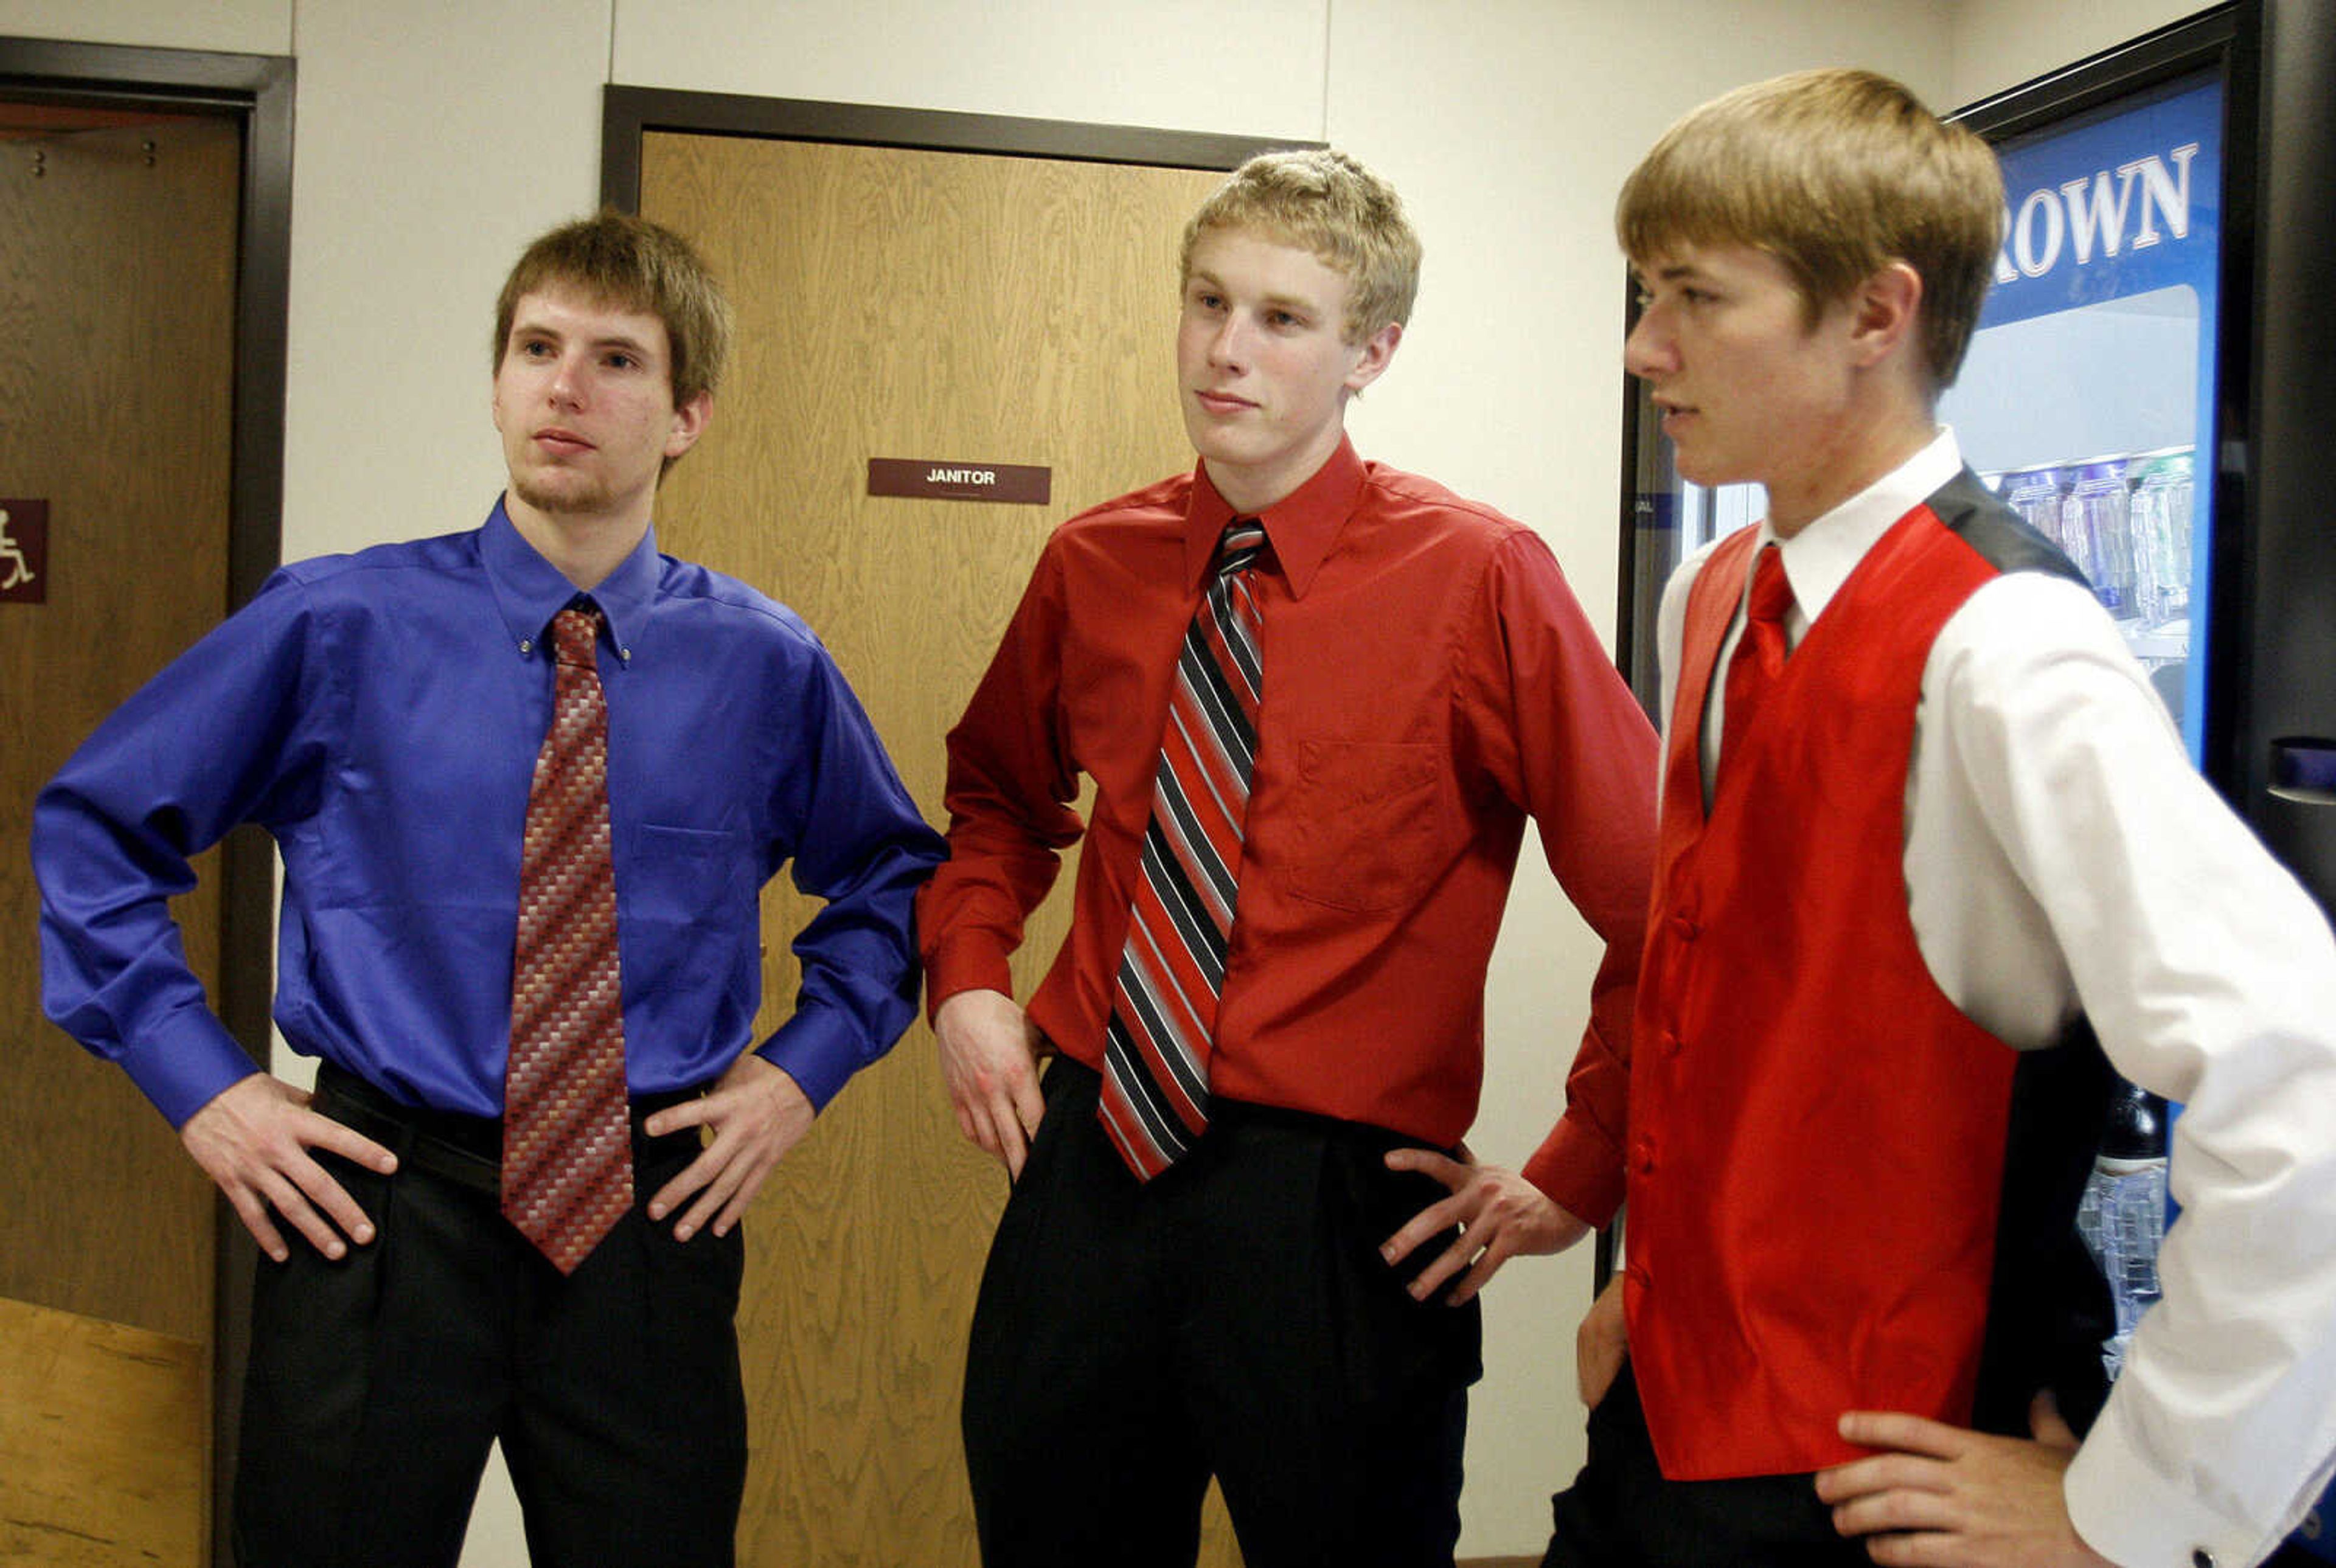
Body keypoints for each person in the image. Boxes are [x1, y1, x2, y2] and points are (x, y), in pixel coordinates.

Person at [33, 211, 945, 1567]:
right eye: (535, 347)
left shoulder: (765, 664)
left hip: (647, 1222)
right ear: (499, 378)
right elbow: (96, 830)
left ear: (689, 412)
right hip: (378, 1208)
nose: (563, 387)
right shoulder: (336, 622)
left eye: (616, 360)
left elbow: (889, 874)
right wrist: (206, 1090)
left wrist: (800, 1070)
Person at [1534, 68, 2336, 1568]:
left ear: (1874, 316)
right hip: (1674, 1428)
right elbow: (1743, 1003)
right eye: (1646, 296)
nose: (1645, 348)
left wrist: (2147, 1503)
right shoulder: (1710, 595)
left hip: (1880, 1483)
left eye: (1696, 297)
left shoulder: (2006, 642)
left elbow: (2298, 1063)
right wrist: (1661, 1301)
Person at [915, 147, 1660, 1567]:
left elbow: (1662, 900)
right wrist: (967, 980)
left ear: (1373, 348)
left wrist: (1580, 1164)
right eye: (1209, 301)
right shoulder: (1095, 562)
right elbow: (998, 800)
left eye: (1282, 318)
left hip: (1338, 1212)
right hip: (1093, 1171)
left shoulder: (1481, 577)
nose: (1226, 350)